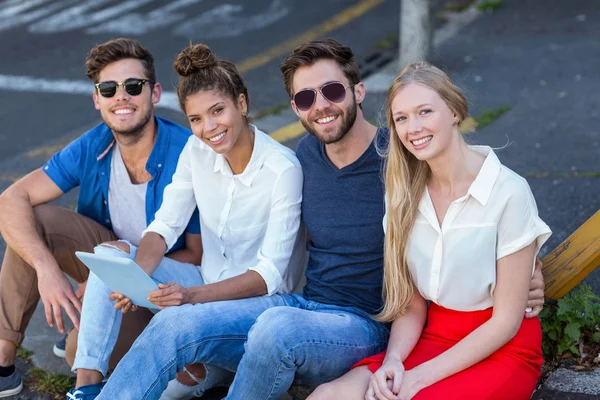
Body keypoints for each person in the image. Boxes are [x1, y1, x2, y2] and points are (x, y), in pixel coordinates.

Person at [95, 39, 546, 400]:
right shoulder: (303, 158)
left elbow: (469, 193)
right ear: (296, 109)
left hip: (366, 325)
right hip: (305, 307)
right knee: (177, 321)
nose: (321, 105)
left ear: (358, 91)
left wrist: (530, 269)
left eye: (332, 91)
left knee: (276, 329)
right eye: (306, 97)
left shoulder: (402, 157)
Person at [67, 42, 306, 400]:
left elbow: (268, 276)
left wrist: (191, 296)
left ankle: (203, 369)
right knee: (110, 257)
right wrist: (136, 278)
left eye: (217, 111)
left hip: (265, 306)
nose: (209, 128)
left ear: (241, 104)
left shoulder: (282, 169)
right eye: (196, 119)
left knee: (173, 324)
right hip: (206, 285)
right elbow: (165, 224)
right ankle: (86, 388)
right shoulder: (197, 151)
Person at [309, 62, 551, 400]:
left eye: (425, 111)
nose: (414, 127)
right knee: (328, 395)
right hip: (428, 336)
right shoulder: (403, 195)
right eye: (402, 118)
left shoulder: (508, 191)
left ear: (454, 111)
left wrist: (417, 379)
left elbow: (506, 322)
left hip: (501, 347)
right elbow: (412, 305)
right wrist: (394, 361)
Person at [0, 38, 202, 398]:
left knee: (80, 354)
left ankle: (90, 334)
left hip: (157, 288)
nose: (120, 97)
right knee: (33, 220)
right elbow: (11, 198)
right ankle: (2, 359)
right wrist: (48, 271)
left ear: (154, 93)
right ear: (97, 99)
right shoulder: (95, 145)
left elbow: (199, 257)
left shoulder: (187, 154)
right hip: (109, 264)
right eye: (108, 89)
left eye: (133, 86)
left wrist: (114, 277)